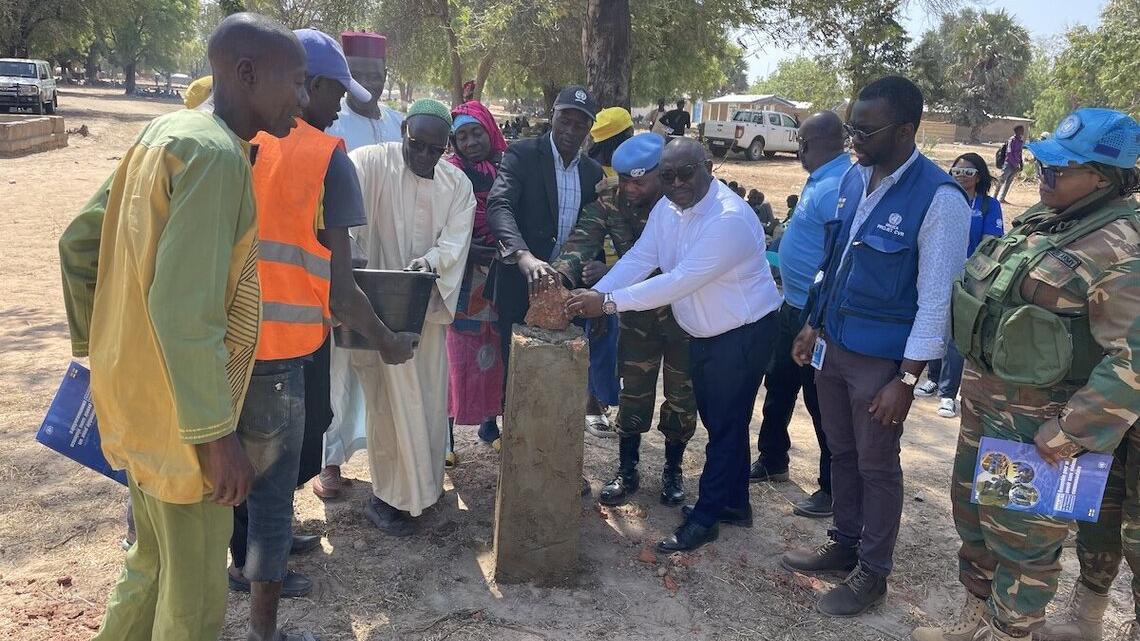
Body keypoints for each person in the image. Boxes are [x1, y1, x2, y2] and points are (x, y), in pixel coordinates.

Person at [57, 13, 307, 641]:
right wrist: (216, 438)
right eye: (295, 81)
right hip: (184, 424)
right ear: (246, 74)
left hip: (134, 402)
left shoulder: (165, 133)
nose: (302, 100)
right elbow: (183, 311)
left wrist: (104, 351)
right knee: (192, 604)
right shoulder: (217, 156)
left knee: (148, 565)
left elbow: (78, 245)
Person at [913, 107, 1140, 641]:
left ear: (1102, 178)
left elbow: (1131, 361)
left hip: (1040, 431)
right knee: (975, 523)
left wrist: (1070, 433)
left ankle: (1010, 632)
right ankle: (974, 618)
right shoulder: (1049, 219)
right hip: (988, 410)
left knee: (1023, 545)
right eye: (1043, 165)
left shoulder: (1121, 247)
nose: (1045, 176)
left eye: (1060, 169)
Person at [224, 28, 417, 639]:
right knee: (278, 476)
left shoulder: (235, 138)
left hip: (234, 340)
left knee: (273, 455)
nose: (338, 106)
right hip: (285, 347)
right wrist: (388, 339)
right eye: (335, 92)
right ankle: (260, 592)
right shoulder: (328, 157)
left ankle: (253, 549)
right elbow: (342, 290)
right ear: (307, 85)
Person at [785, 76, 972, 617]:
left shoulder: (940, 200)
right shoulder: (854, 176)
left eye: (865, 131)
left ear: (905, 130)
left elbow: (936, 302)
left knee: (876, 464)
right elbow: (835, 261)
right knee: (840, 452)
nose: (854, 140)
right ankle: (844, 543)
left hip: (882, 364)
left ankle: (873, 572)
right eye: (852, 128)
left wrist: (907, 380)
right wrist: (813, 323)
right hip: (834, 345)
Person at [566, 137, 782, 553]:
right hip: (704, 332)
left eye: (686, 172)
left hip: (742, 334)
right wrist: (596, 294)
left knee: (724, 427)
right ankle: (734, 504)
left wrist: (607, 303)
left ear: (709, 166)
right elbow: (640, 259)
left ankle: (705, 518)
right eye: (667, 176)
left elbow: (678, 282)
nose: (678, 183)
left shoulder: (729, 219)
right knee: (725, 423)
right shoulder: (667, 209)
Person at [350, 99, 476, 536]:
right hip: (376, 313)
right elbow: (338, 211)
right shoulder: (369, 163)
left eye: (435, 150)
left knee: (427, 401)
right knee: (387, 406)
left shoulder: (456, 184)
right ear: (403, 129)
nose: (424, 156)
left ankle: (425, 488)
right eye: (417, 145)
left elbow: (456, 242)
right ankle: (388, 498)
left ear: (447, 147)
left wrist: (430, 263)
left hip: (424, 311)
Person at [551, 133, 697, 507]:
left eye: (639, 182)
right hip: (635, 319)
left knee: (681, 397)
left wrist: (610, 275)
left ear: (661, 174)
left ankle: (673, 470)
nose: (630, 189)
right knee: (634, 393)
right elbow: (581, 242)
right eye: (626, 180)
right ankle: (627, 470)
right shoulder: (610, 204)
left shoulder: (682, 204)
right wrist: (560, 277)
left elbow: (685, 270)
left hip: (685, 318)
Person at [316, 29, 408, 499]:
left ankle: (391, 459)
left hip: (394, 256)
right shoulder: (330, 122)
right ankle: (330, 462)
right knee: (340, 363)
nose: (370, 83)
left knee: (387, 364)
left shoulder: (399, 123)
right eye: (360, 75)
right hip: (342, 258)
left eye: (377, 75)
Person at [750, 111, 850, 519]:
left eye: (800, 144)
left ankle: (832, 488)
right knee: (778, 385)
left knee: (821, 401)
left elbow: (840, 257)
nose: (797, 151)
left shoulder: (839, 186)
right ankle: (773, 458)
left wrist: (817, 318)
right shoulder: (822, 178)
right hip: (790, 306)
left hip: (816, 316)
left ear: (808, 145)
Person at [485, 85, 603, 372]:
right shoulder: (521, 154)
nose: (571, 131)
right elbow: (499, 205)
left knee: (562, 375)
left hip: (569, 294)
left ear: (589, 127)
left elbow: (594, 228)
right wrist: (523, 255)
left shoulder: (592, 172)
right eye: (565, 120)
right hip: (520, 285)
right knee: (517, 374)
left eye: (580, 124)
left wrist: (598, 270)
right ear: (553, 115)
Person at [913, 153, 1003, 419]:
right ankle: (933, 377)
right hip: (939, 274)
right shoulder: (943, 199)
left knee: (955, 335)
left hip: (969, 280)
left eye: (968, 172)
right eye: (957, 171)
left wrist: (969, 268)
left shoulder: (988, 206)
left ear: (979, 176)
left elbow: (990, 244)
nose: (962, 176)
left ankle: (948, 394)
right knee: (934, 325)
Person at [445, 100, 509, 454]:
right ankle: (446, 438)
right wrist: (467, 247)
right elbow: (439, 223)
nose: (470, 142)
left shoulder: (508, 168)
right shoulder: (447, 173)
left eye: (477, 133)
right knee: (455, 357)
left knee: (494, 352)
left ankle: (489, 425)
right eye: (462, 137)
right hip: (460, 279)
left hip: (499, 275)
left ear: (490, 131)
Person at [580, 106, 635, 437]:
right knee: (601, 339)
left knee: (614, 343)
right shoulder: (596, 176)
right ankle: (592, 403)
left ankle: (601, 401)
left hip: (625, 268)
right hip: (602, 270)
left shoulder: (627, 172)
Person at [325, 31, 403, 151]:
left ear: (384, 75)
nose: (364, 84)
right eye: (355, 76)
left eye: (373, 77)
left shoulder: (399, 123)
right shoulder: (330, 126)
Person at [996, 124, 1026, 203]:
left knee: (1008, 182)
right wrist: (1014, 164)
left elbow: (1020, 153)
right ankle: (994, 197)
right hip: (1009, 164)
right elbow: (1009, 153)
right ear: (1017, 131)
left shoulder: (1020, 141)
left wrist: (1021, 164)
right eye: (1022, 130)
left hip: (1015, 165)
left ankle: (1002, 198)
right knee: (1001, 181)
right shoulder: (1012, 140)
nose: (1023, 131)